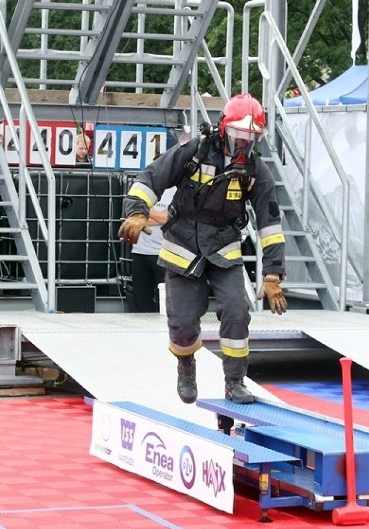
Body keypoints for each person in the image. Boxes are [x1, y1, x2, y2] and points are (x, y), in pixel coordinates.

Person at [118, 93, 287, 405]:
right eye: (239, 136)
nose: (243, 145)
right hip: (182, 244)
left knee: (237, 311)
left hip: (224, 247)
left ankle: (235, 382)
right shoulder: (194, 151)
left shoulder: (256, 171)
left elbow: (270, 224)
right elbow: (150, 178)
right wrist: (136, 211)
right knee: (181, 321)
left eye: (251, 138)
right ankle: (186, 365)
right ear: (223, 128)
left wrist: (274, 273)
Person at [128, 187, 174, 312]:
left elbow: (172, 219)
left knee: (165, 301)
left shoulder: (178, 191)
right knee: (141, 299)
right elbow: (132, 216)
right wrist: (161, 217)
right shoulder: (143, 190)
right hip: (139, 252)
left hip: (165, 253)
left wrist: (145, 213)